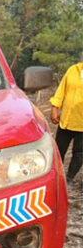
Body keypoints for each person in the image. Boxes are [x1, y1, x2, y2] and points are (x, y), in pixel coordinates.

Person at [50, 51, 83, 186]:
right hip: (66, 120)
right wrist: (54, 108)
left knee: (79, 153)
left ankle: (68, 179)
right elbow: (61, 90)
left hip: (81, 124)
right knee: (58, 150)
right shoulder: (73, 70)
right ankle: (57, 176)